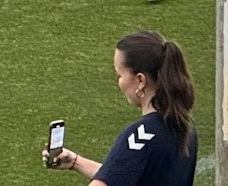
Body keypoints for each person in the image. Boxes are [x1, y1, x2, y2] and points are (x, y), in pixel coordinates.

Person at [41, 31, 199, 185]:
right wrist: (76, 162)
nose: (119, 83)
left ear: (140, 80)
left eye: (120, 75)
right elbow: (125, 175)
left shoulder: (140, 137)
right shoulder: (186, 128)